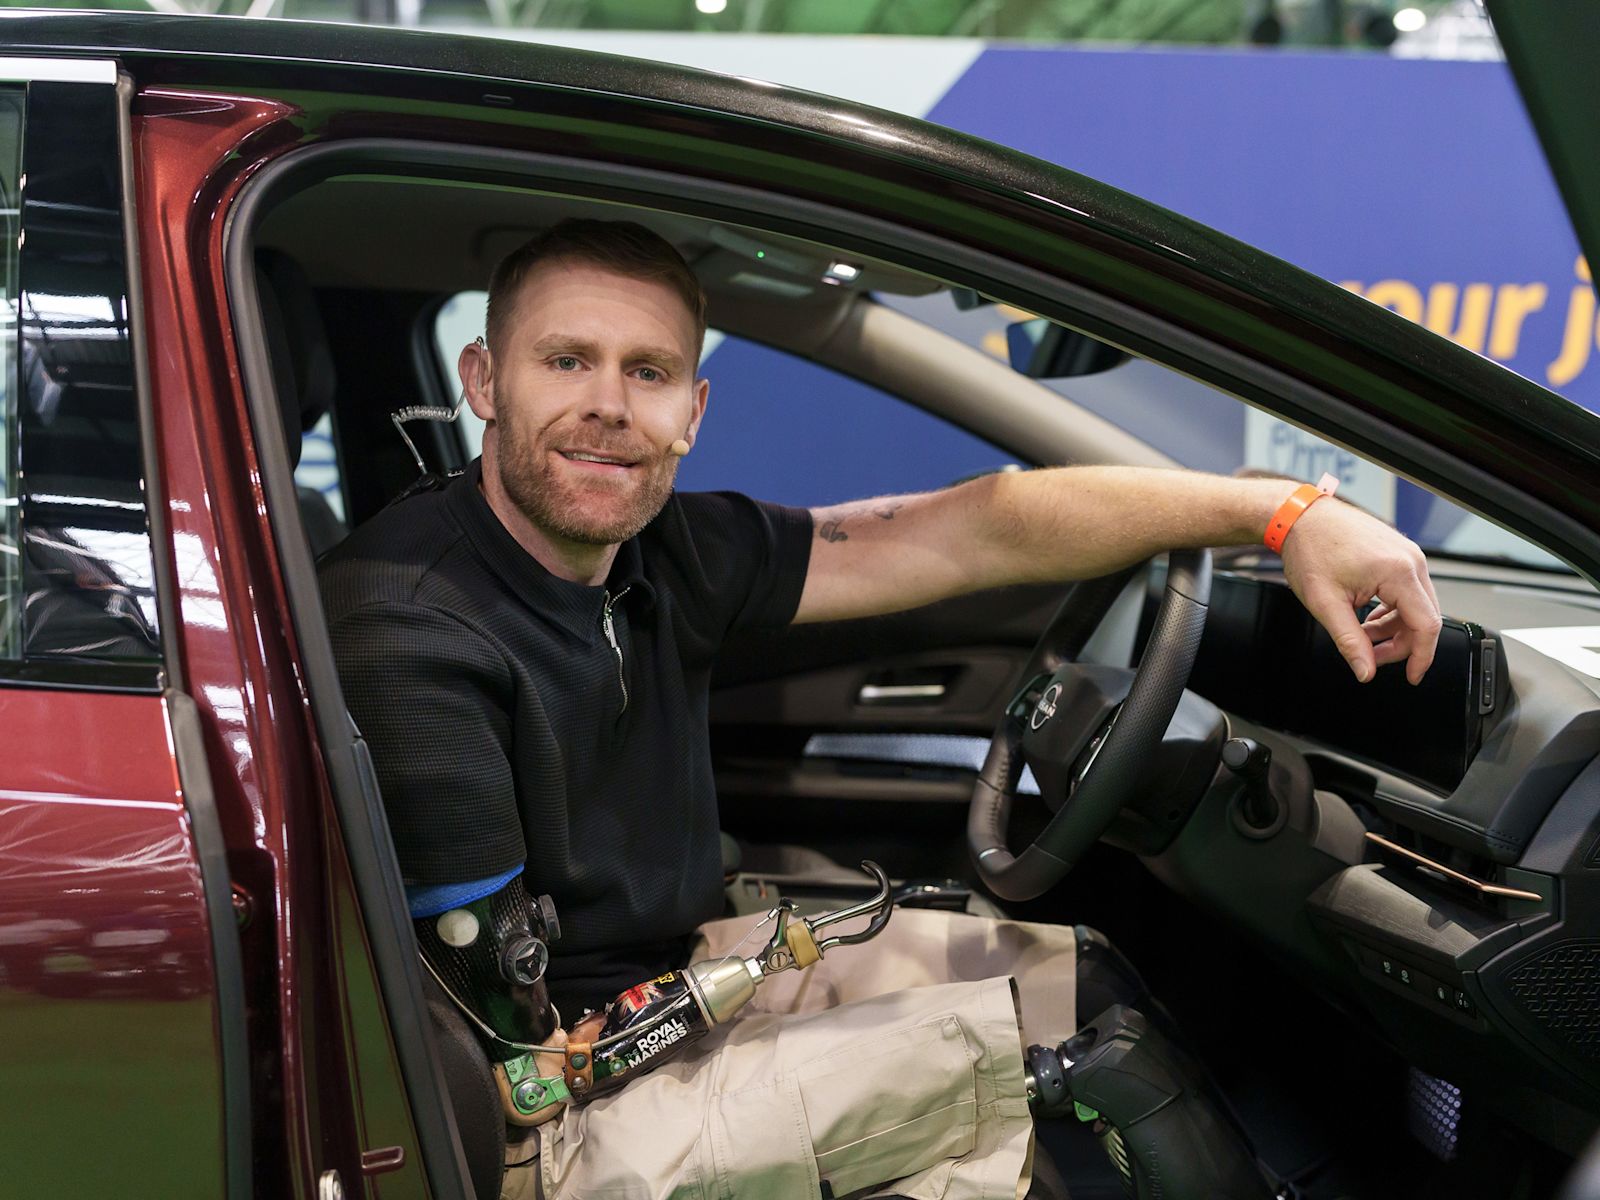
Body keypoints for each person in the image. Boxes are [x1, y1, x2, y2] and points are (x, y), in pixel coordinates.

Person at [319, 219, 1441, 1199]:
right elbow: (516, 1069)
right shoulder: (416, 629)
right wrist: (737, 1004)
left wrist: (1282, 514)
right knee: (1095, 1071)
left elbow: (968, 526)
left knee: (1082, 979)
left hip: (661, 980)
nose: (607, 405)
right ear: (483, 380)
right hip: (555, 1116)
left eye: (647, 371)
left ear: (693, 410)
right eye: (566, 360)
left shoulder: (664, 550)